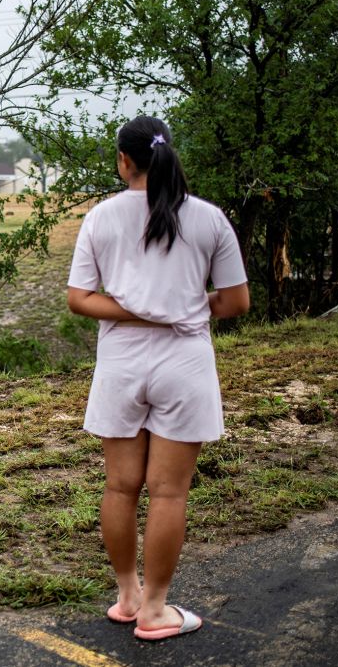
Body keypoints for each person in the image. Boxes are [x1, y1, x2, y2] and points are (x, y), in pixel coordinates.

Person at [66, 116, 250, 641]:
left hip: (120, 365)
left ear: (124, 161)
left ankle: (126, 597)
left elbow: (80, 299)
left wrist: (135, 312)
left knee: (120, 486)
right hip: (184, 363)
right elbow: (236, 301)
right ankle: (155, 610)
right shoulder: (210, 218)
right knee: (168, 495)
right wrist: (180, 308)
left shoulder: (100, 218)